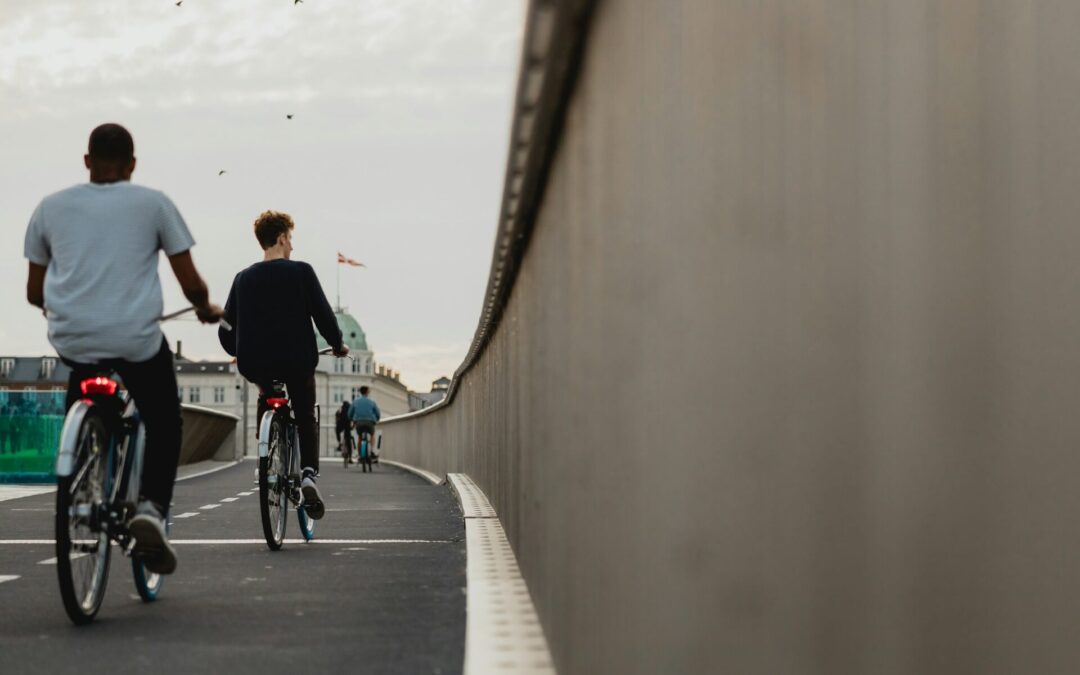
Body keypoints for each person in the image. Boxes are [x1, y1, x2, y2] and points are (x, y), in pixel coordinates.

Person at [23, 123, 223, 574]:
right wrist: (205, 307)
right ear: (133, 164)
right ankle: (151, 509)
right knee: (164, 417)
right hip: (135, 339)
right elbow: (189, 282)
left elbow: (34, 292)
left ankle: (83, 472)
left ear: (87, 160)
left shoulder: (49, 208)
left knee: (86, 387)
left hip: (74, 339)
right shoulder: (153, 204)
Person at [218, 210, 347, 519]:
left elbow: (225, 328)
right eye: (290, 239)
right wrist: (338, 343)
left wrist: (236, 350)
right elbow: (324, 318)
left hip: (255, 361)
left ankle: (265, 461)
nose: (292, 246)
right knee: (304, 411)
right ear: (280, 238)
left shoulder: (242, 278)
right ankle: (307, 475)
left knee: (267, 393)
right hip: (296, 359)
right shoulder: (302, 272)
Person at [348, 386, 380, 461]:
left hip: (358, 422)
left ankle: (360, 455)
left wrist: (352, 420)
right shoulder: (372, 402)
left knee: (359, 437)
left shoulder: (355, 402)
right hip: (370, 422)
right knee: (372, 435)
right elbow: (378, 413)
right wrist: (376, 420)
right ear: (367, 392)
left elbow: (349, 414)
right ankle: (372, 450)